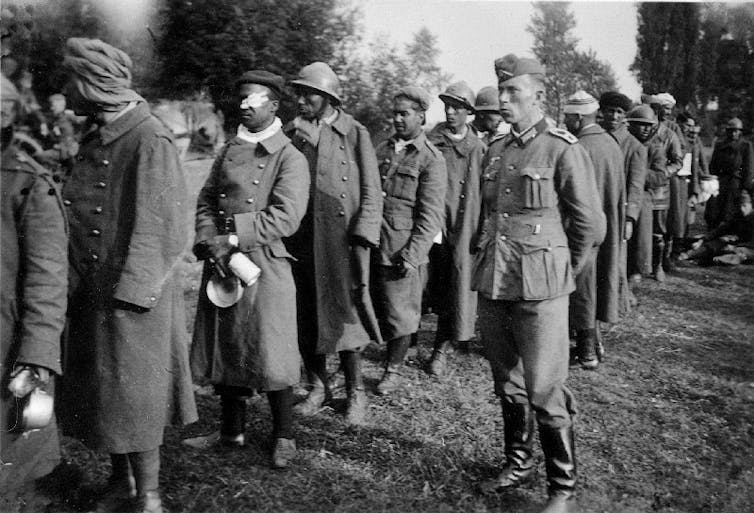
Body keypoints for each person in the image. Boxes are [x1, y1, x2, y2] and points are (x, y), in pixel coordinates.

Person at [58, 38, 197, 513]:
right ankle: (123, 484)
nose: (64, 90)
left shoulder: (149, 137)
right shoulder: (99, 134)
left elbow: (163, 226)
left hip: (135, 295)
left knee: (136, 394)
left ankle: (151, 497)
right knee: (108, 393)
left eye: (69, 80)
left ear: (90, 84)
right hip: (94, 287)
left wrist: (134, 293)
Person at [474, 55, 604, 513]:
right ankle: (517, 462)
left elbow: (589, 225)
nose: (505, 100)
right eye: (502, 92)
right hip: (495, 280)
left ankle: (562, 488)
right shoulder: (496, 149)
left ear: (540, 95)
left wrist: (563, 271)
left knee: (545, 389)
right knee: (505, 382)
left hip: (543, 286)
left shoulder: (563, 148)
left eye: (514, 92)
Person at [187, 71, 310, 467]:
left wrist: (234, 238)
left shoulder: (290, 157)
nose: (244, 104)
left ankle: (284, 434)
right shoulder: (229, 148)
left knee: (272, 349)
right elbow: (207, 197)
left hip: (264, 263)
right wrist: (210, 238)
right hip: (223, 260)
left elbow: (286, 217)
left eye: (253, 98)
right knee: (229, 341)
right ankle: (231, 432)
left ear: (273, 105)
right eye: (240, 97)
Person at [286, 62, 383, 425]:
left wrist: (363, 235)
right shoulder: (292, 132)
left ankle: (356, 391)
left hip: (340, 241)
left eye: (308, 93)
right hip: (300, 237)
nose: (301, 100)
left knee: (346, 314)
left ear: (327, 97)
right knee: (305, 312)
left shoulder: (354, 133)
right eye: (298, 93)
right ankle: (317, 385)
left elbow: (372, 191)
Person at [0, 74, 68, 512]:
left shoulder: (25, 181)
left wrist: (38, 352)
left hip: (10, 349)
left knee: (19, 452)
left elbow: (47, 278)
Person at [373, 87, 446, 395]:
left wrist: (412, 254)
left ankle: (393, 369)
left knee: (401, 312)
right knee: (374, 305)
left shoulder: (431, 159)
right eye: (395, 113)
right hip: (374, 241)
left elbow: (430, 216)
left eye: (405, 114)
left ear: (421, 117)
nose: (398, 119)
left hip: (402, 248)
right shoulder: (382, 149)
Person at [425, 82, 485, 375]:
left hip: (463, 227)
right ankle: (404, 340)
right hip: (432, 223)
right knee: (424, 283)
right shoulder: (431, 141)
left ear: (468, 113)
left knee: (455, 287)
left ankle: (441, 348)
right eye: (447, 106)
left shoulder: (478, 148)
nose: (450, 112)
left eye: (457, 108)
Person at [563, 91, 622, 371]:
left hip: (582, 227)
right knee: (598, 284)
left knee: (583, 289)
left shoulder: (579, 146)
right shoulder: (611, 143)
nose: (564, 122)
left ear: (577, 117)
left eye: (566, 117)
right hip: (607, 225)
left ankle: (586, 351)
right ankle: (595, 343)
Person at [599, 91, 647, 312]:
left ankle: (618, 300)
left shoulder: (634, 146)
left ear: (625, 116)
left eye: (619, 112)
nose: (614, 116)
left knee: (616, 258)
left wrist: (629, 218)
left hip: (618, 210)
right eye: (610, 111)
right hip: (595, 207)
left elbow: (636, 186)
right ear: (602, 112)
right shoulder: (594, 138)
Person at [627, 104, 683, 282]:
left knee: (658, 231)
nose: (646, 128)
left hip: (657, 192)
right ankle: (635, 266)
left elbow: (673, 165)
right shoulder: (625, 142)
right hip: (633, 194)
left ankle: (657, 265)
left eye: (648, 124)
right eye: (640, 124)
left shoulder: (664, 139)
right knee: (633, 233)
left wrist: (639, 175)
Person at [679, 189, 754, 266]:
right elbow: (721, 229)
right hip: (736, 244)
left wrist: (735, 246)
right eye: (740, 206)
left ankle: (718, 259)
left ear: (751, 205)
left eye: (745, 206)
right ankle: (689, 255)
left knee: (740, 252)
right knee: (716, 243)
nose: (742, 209)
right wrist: (703, 239)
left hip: (748, 248)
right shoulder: (738, 217)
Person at [705, 117, 754, 229]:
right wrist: (712, 182)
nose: (733, 133)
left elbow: (748, 169)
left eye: (736, 130)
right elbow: (713, 165)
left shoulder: (745, 146)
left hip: (735, 184)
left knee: (730, 213)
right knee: (714, 212)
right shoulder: (719, 145)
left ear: (740, 132)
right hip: (719, 183)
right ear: (727, 131)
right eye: (730, 130)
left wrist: (745, 188)